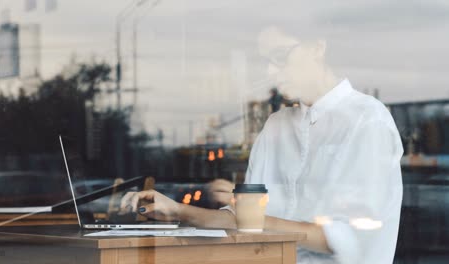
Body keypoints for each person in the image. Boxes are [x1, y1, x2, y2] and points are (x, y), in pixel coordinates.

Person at [120, 27, 403, 264]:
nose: (270, 70)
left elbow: (345, 238)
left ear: (317, 47)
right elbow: (240, 221)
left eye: (279, 57)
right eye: (265, 61)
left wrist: (252, 217)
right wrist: (177, 210)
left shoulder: (367, 121)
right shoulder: (276, 126)